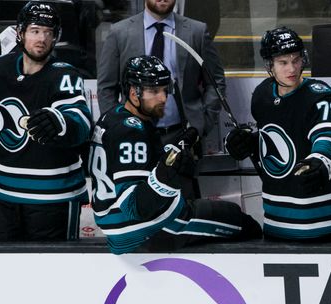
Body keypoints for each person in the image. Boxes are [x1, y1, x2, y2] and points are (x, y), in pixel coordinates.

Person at [0, 1, 92, 241]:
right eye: (35, 31)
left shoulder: (65, 73)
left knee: (52, 274)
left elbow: (80, 121)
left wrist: (60, 122)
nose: (42, 39)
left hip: (54, 197)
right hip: (3, 196)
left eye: (49, 33)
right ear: (20, 32)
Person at [89, 55, 261, 254]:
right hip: (146, 228)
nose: (163, 98)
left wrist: (179, 146)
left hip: (116, 225)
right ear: (133, 93)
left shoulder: (112, 116)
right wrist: (165, 178)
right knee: (242, 222)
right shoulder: (131, 130)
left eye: (164, 89)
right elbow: (136, 207)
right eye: (153, 91)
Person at [223, 27, 331, 241]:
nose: (292, 68)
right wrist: (248, 142)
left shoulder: (320, 95)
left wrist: (320, 161)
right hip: (277, 225)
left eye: (296, 60)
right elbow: (275, 139)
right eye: (283, 62)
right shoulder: (261, 95)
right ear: (269, 65)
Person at [97, 0, 225, 145]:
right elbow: (106, 86)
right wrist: (115, 125)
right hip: (132, 136)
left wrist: (202, 123)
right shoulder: (119, 32)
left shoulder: (197, 31)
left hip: (182, 136)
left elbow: (215, 81)